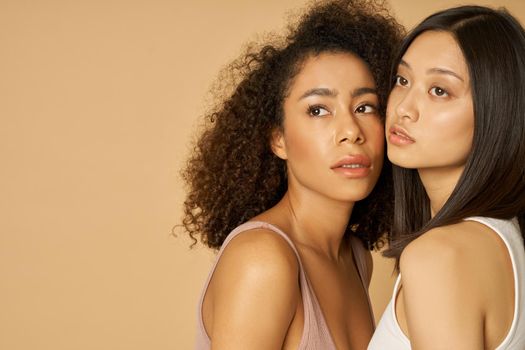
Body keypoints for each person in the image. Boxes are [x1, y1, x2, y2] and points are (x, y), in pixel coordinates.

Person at [180, 0, 403, 348]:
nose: (351, 131)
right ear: (278, 139)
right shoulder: (262, 259)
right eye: (318, 110)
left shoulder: (355, 256)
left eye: (365, 107)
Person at [368, 5, 525, 350]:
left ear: (495, 112)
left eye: (439, 90)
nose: (404, 107)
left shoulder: (438, 256)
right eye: (402, 80)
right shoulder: (504, 236)